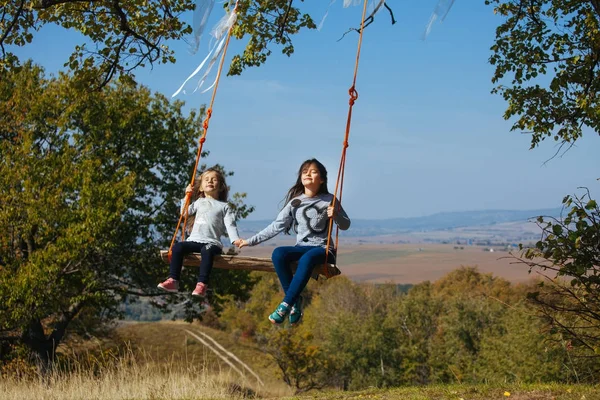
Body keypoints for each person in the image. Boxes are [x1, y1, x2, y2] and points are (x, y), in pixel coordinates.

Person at [235, 158, 350, 326]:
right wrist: (250, 241)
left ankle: (285, 304)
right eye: (305, 171)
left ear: (322, 179)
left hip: (324, 249)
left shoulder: (330, 200)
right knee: (279, 253)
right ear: (300, 178)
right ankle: (295, 301)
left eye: (314, 171)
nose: (308, 174)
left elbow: (346, 224)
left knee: (307, 258)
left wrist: (337, 215)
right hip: (302, 247)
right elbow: (276, 226)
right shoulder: (295, 202)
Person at [158, 167, 240, 296]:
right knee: (178, 247)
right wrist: (187, 195)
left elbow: (230, 224)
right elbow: (184, 213)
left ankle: (202, 284)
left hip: (212, 243)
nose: (210, 181)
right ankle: (173, 280)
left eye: (214, 179)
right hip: (195, 240)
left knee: (206, 250)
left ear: (221, 186)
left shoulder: (224, 206)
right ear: (201, 187)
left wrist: (235, 239)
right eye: (206, 180)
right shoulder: (199, 202)